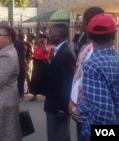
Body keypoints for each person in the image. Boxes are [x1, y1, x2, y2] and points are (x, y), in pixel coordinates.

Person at [78, 13, 119, 141]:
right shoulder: (116, 59)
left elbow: (104, 113)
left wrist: (87, 133)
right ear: (114, 35)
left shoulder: (92, 64)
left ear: (89, 36)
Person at [68, 6, 105, 141]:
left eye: (84, 19)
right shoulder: (88, 46)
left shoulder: (94, 51)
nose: (82, 23)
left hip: (89, 115)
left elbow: (86, 83)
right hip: (84, 113)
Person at [44, 23, 76, 141]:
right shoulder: (59, 50)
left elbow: (68, 82)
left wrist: (63, 107)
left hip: (58, 107)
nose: (48, 35)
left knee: (58, 136)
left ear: (60, 34)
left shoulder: (66, 53)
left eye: (51, 33)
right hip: (54, 104)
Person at [29, 33, 52, 101]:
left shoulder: (47, 46)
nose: (40, 40)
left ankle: (47, 96)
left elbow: (45, 50)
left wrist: (43, 43)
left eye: (42, 39)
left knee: (45, 80)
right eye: (40, 38)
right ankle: (34, 95)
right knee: (35, 80)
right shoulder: (37, 46)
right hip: (37, 64)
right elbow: (35, 53)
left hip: (43, 64)